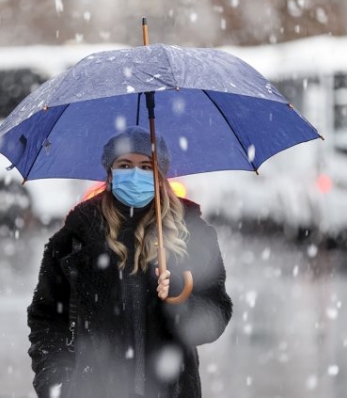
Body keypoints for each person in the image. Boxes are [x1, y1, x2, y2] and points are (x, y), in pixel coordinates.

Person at [27, 126, 233, 398]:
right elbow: (47, 320)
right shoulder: (74, 240)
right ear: (110, 173)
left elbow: (215, 318)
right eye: (125, 165)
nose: (136, 175)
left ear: (160, 176)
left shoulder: (193, 233)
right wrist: (57, 384)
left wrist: (181, 299)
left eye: (147, 166)